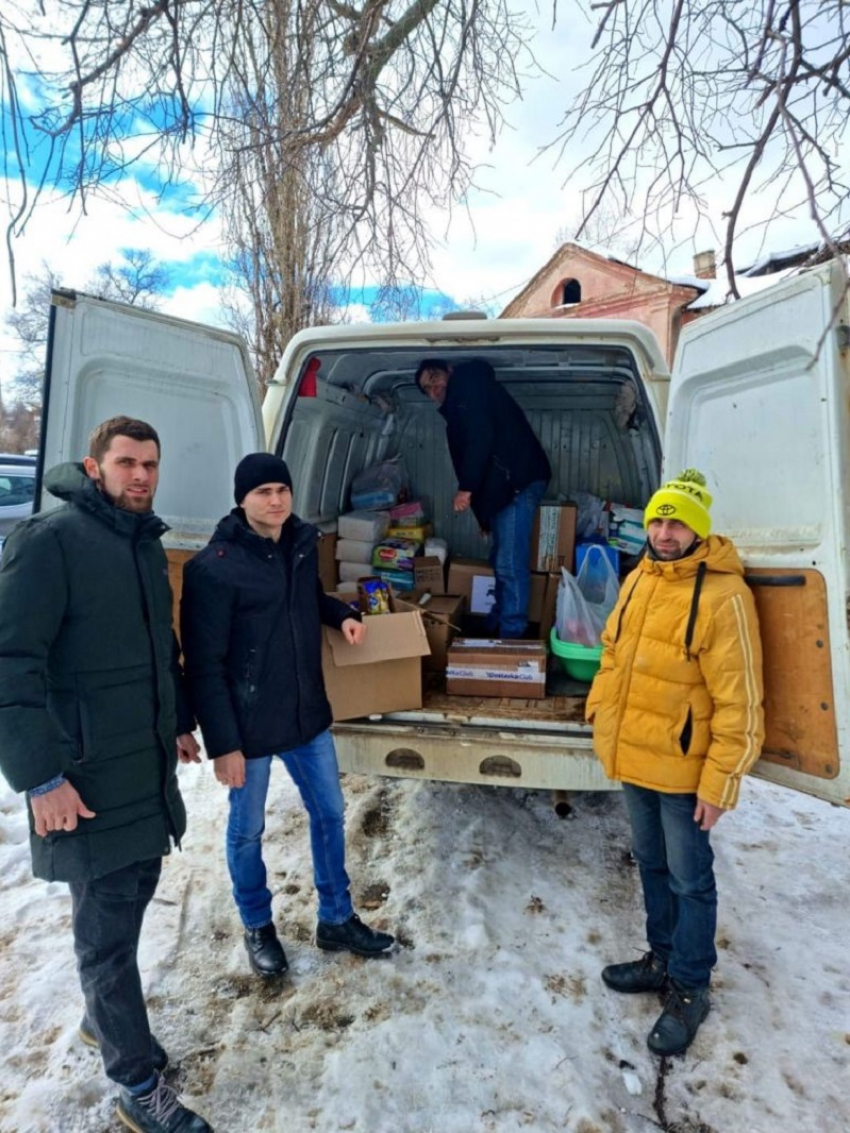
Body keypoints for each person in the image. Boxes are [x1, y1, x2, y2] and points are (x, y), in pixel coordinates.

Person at [0, 417, 213, 1133]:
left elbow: (160, 649)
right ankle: (135, 1082)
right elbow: (10, 665)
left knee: (129, 898)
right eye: (126, 462)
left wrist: (179, 719)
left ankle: (108, 1023)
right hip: (86, 779)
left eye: (150, 463)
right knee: (107, 936)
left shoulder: (142, 544)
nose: (141, 475)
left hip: (141, 767)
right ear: (94, 468)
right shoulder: (49, 543)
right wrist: (38, 779)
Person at [180, 453, 395, 978]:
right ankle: (257, 924)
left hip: (306, 715)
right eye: (263, 492)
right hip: (248, 728)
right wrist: (224, 744)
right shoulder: (213, 568)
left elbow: (305, 598)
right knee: (247, 831)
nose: (275, 500)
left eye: (282, 489)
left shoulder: (300, 542)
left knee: (329, 813)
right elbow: (204, 665)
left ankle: (336, 918)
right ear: (242, 499)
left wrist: (342, 615)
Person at [586, 469, 764, 1057]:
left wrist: (720, 783)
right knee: (650, 864)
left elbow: (741, 702)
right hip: (635, 755)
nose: (664, 531)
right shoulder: (641, 576)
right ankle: (660, 957)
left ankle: (690, 985)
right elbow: (613, 649)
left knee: (691, 879)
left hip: (685, 771)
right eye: (658, 519)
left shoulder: (724, 596)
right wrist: (599, 709)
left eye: (677, 521)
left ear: (698, 529)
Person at [415, 357, 551, 638]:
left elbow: (481, 438)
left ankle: (512, 634)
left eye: (435, 378)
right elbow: (480, 459)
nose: (433, 390)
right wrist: (484, 516)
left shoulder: (468, 386)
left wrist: (466, 488)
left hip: (518, 481)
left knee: (509, 562)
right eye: (427, 389)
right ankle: (499, 619)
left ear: (449, 370)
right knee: (501, 556)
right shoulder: (459, 406)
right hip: (505, 486)